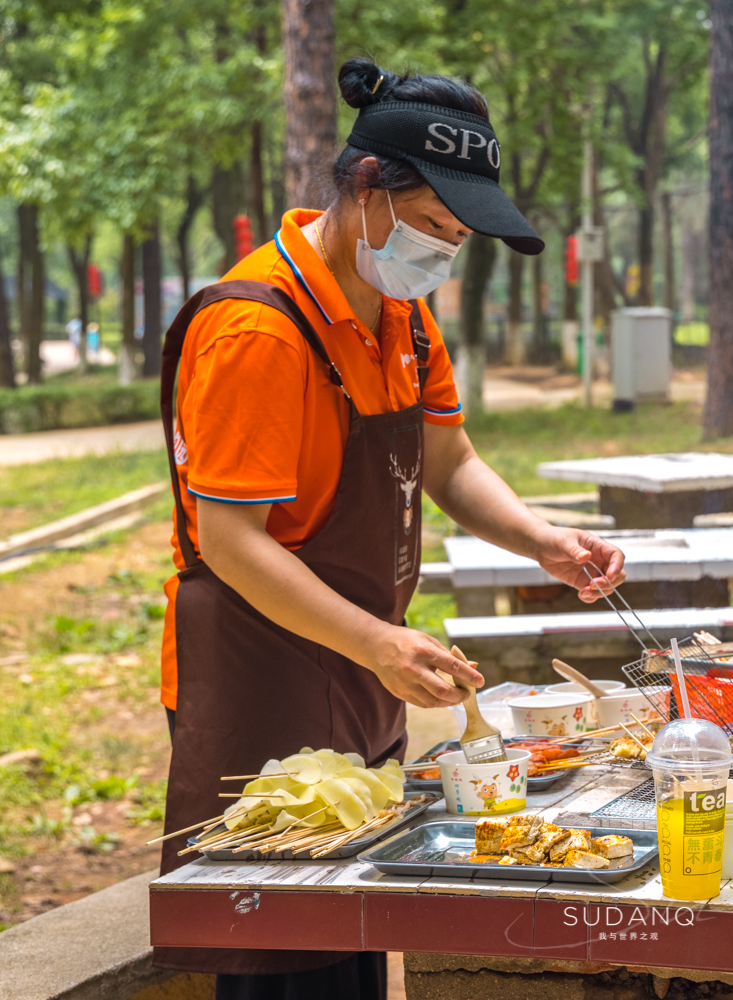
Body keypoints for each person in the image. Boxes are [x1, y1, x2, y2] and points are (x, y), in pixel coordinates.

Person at [153, 58, 626, 999]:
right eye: (436, 228)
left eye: (459, 238)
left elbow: (449, 461)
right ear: (367, 190)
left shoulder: (403, 316)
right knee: (284, 959)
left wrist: (545, 542)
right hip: (262, 674)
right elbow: (230, 541)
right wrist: (376, 641)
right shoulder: (258, 330)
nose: (444, 253)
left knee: (355, 936)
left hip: (359, 664)